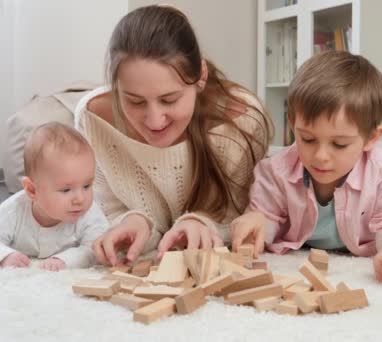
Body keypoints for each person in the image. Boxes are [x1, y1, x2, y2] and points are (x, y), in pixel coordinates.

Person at [74, 5, 272, 266]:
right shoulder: (92, 118)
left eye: (169, 99)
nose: (154, 120)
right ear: (116, 86)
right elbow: (104, 208)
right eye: (135, 101)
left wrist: (201, 222)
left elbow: (243, 215)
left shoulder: (243, 119)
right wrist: (130, 222)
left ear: (200, 76)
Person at [231, 51, 382, 289]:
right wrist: (257, 220)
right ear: (293, 124)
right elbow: (266, 215)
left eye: (339, 144)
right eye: (307, 139)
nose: (320, 156)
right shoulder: (275, 170)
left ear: (371, 137)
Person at [0, 122, 109, 271]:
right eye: (65, 190)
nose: (80, 199)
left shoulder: (89, 213)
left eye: (86, 186)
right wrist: (5, 256)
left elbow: (95, 247)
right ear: (32, 190)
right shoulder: (14, 209)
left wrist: (65, 260)